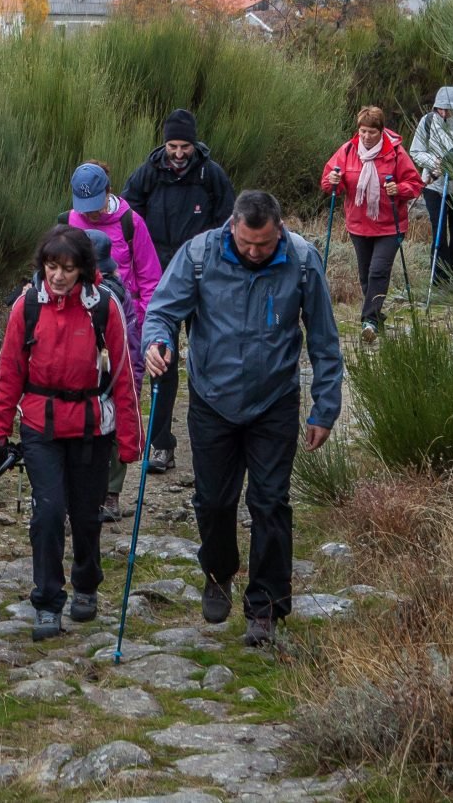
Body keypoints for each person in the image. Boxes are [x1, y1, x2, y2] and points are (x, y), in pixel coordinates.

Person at [140, 189, 343, 649]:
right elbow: (163, 311)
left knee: (271, 503)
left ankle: (265, 608)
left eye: (265, 245)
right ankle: (218, 573)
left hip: (275, 401)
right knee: (213, 501)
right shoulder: (198, 255)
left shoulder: (303, 262)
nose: (255, 252)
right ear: (233, 226)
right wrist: (156, 343)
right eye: (248, 243)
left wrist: (324, 407)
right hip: (213, 399)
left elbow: (325, 342)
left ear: (279, 231)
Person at [0, 225, 143, 640]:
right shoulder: (26, 307)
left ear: (84, 270)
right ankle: (48, 602)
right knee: (48, 513)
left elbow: (122, 374)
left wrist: (130, 437)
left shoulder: (105, 309)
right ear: (43, 266)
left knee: (87, 516)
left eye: (68, 268)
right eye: (52, 266)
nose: (58, 276)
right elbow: (9, 372)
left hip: (93, 428)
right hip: (40, 427)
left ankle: (86, 583)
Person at [121, 108, 234, 470]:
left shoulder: (211, 175)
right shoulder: (147, 174)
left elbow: (229, 221)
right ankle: (161, 445)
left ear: (194, 143)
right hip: (160, 281)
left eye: (185, 145)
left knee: (208, 355)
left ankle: (216, 441)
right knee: (162, 361)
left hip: (204, 279)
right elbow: (129, 220)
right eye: (173, 145)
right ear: (164, 143)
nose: (179, 152)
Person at [66, 160, 161, 517]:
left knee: (120, 403)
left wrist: (151, 331)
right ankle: (79, 488)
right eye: (82, 207)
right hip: (75, 331)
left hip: (124, 325)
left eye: (94, 208)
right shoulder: (67, 222)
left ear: (108, 191)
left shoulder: (129, 223)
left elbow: (151, 279)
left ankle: (111, 492)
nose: (88, 216)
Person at [321, 106, 425, 338]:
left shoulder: (395, 153)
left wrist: (398, 188)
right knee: (365, 274)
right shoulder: (348, 151)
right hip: (358, 225)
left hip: (390, 225)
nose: (366, 137)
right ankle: (376, 318)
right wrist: (333, 179)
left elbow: (416, 185)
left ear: (381, 131)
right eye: (363, 132)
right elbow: (328, 185)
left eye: (371, 132)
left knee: (378, 271)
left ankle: (368, 321)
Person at [409, 86, 453, 279]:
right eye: (440, 108)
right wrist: (435, 163)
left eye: (448, 109)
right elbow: (416, 151)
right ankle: (439, 277)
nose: (444, 113)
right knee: (438, 229)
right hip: (434, 186)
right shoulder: (427, 122)